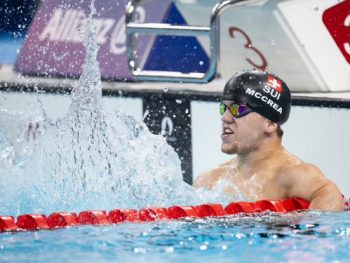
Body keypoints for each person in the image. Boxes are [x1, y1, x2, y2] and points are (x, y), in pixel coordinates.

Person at [194, 70, 345, 211]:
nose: (225, 118)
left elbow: (330, 194)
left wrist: (309, 235)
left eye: (237, 109)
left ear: (270, 123)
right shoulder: (209, 181)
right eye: (224, 108)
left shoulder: (292, 174)